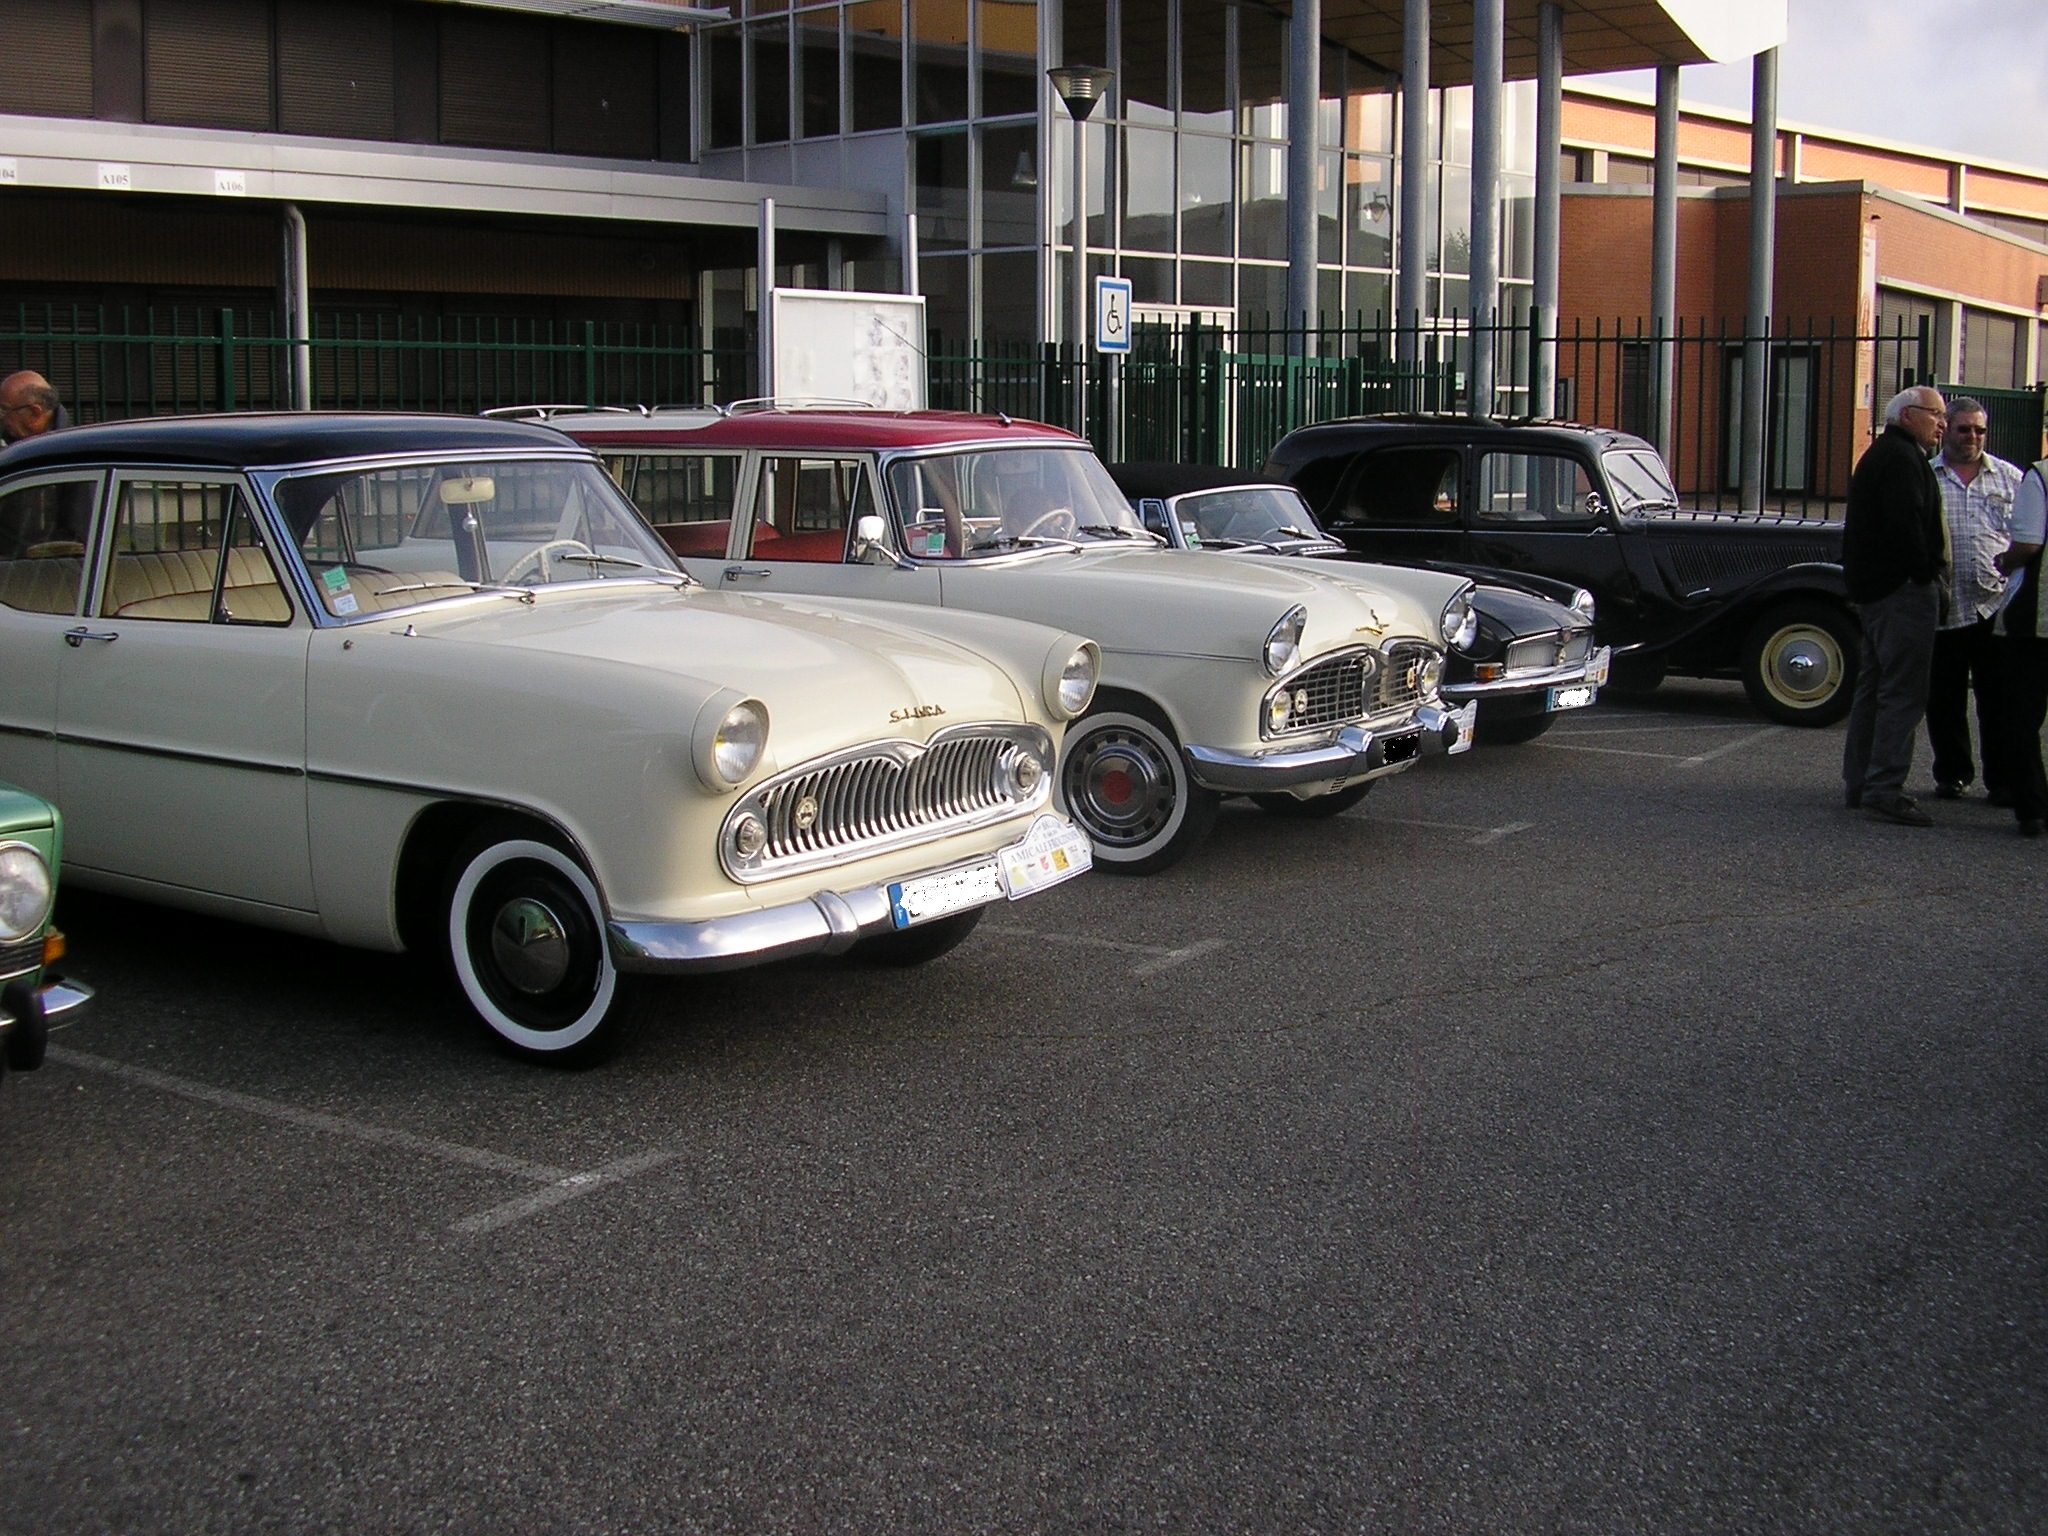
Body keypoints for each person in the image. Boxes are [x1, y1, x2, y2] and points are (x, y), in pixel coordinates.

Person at [1841, 385, 1948, 826]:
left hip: (1876, 591)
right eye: (1935, 414)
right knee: (1902, 693)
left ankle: (1861, 781)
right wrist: (1925, 573)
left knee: (1874, 688)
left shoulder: (1885, 455)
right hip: (1899, 593)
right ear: (1907, 416)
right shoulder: (1902, 460)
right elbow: (1906, 525)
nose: (1941, 424)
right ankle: (1884, 788)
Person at [1924, 398, 2021, 801]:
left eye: (1979, 430)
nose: (1972, 437)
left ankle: (2002, 781)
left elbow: (2027, 534)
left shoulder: (2009, 479)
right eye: (1964, 429)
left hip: (1993, 605)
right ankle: (1953, 773)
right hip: (1945, 606)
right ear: (1946, 430)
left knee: (1997, 700)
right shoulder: (1928, 477)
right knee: (1943, 698)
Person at [1994, 455, 2048, 838]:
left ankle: (2031, 806)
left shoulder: (2040, 476)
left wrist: (2004, 560)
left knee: (2023, 715)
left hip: (2037, 616)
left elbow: (2028, 544)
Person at [0, 371, 69, 443]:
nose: (1, 416)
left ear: (34, 413)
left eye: (5, 409)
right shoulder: (6, 442)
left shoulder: (72, 446)